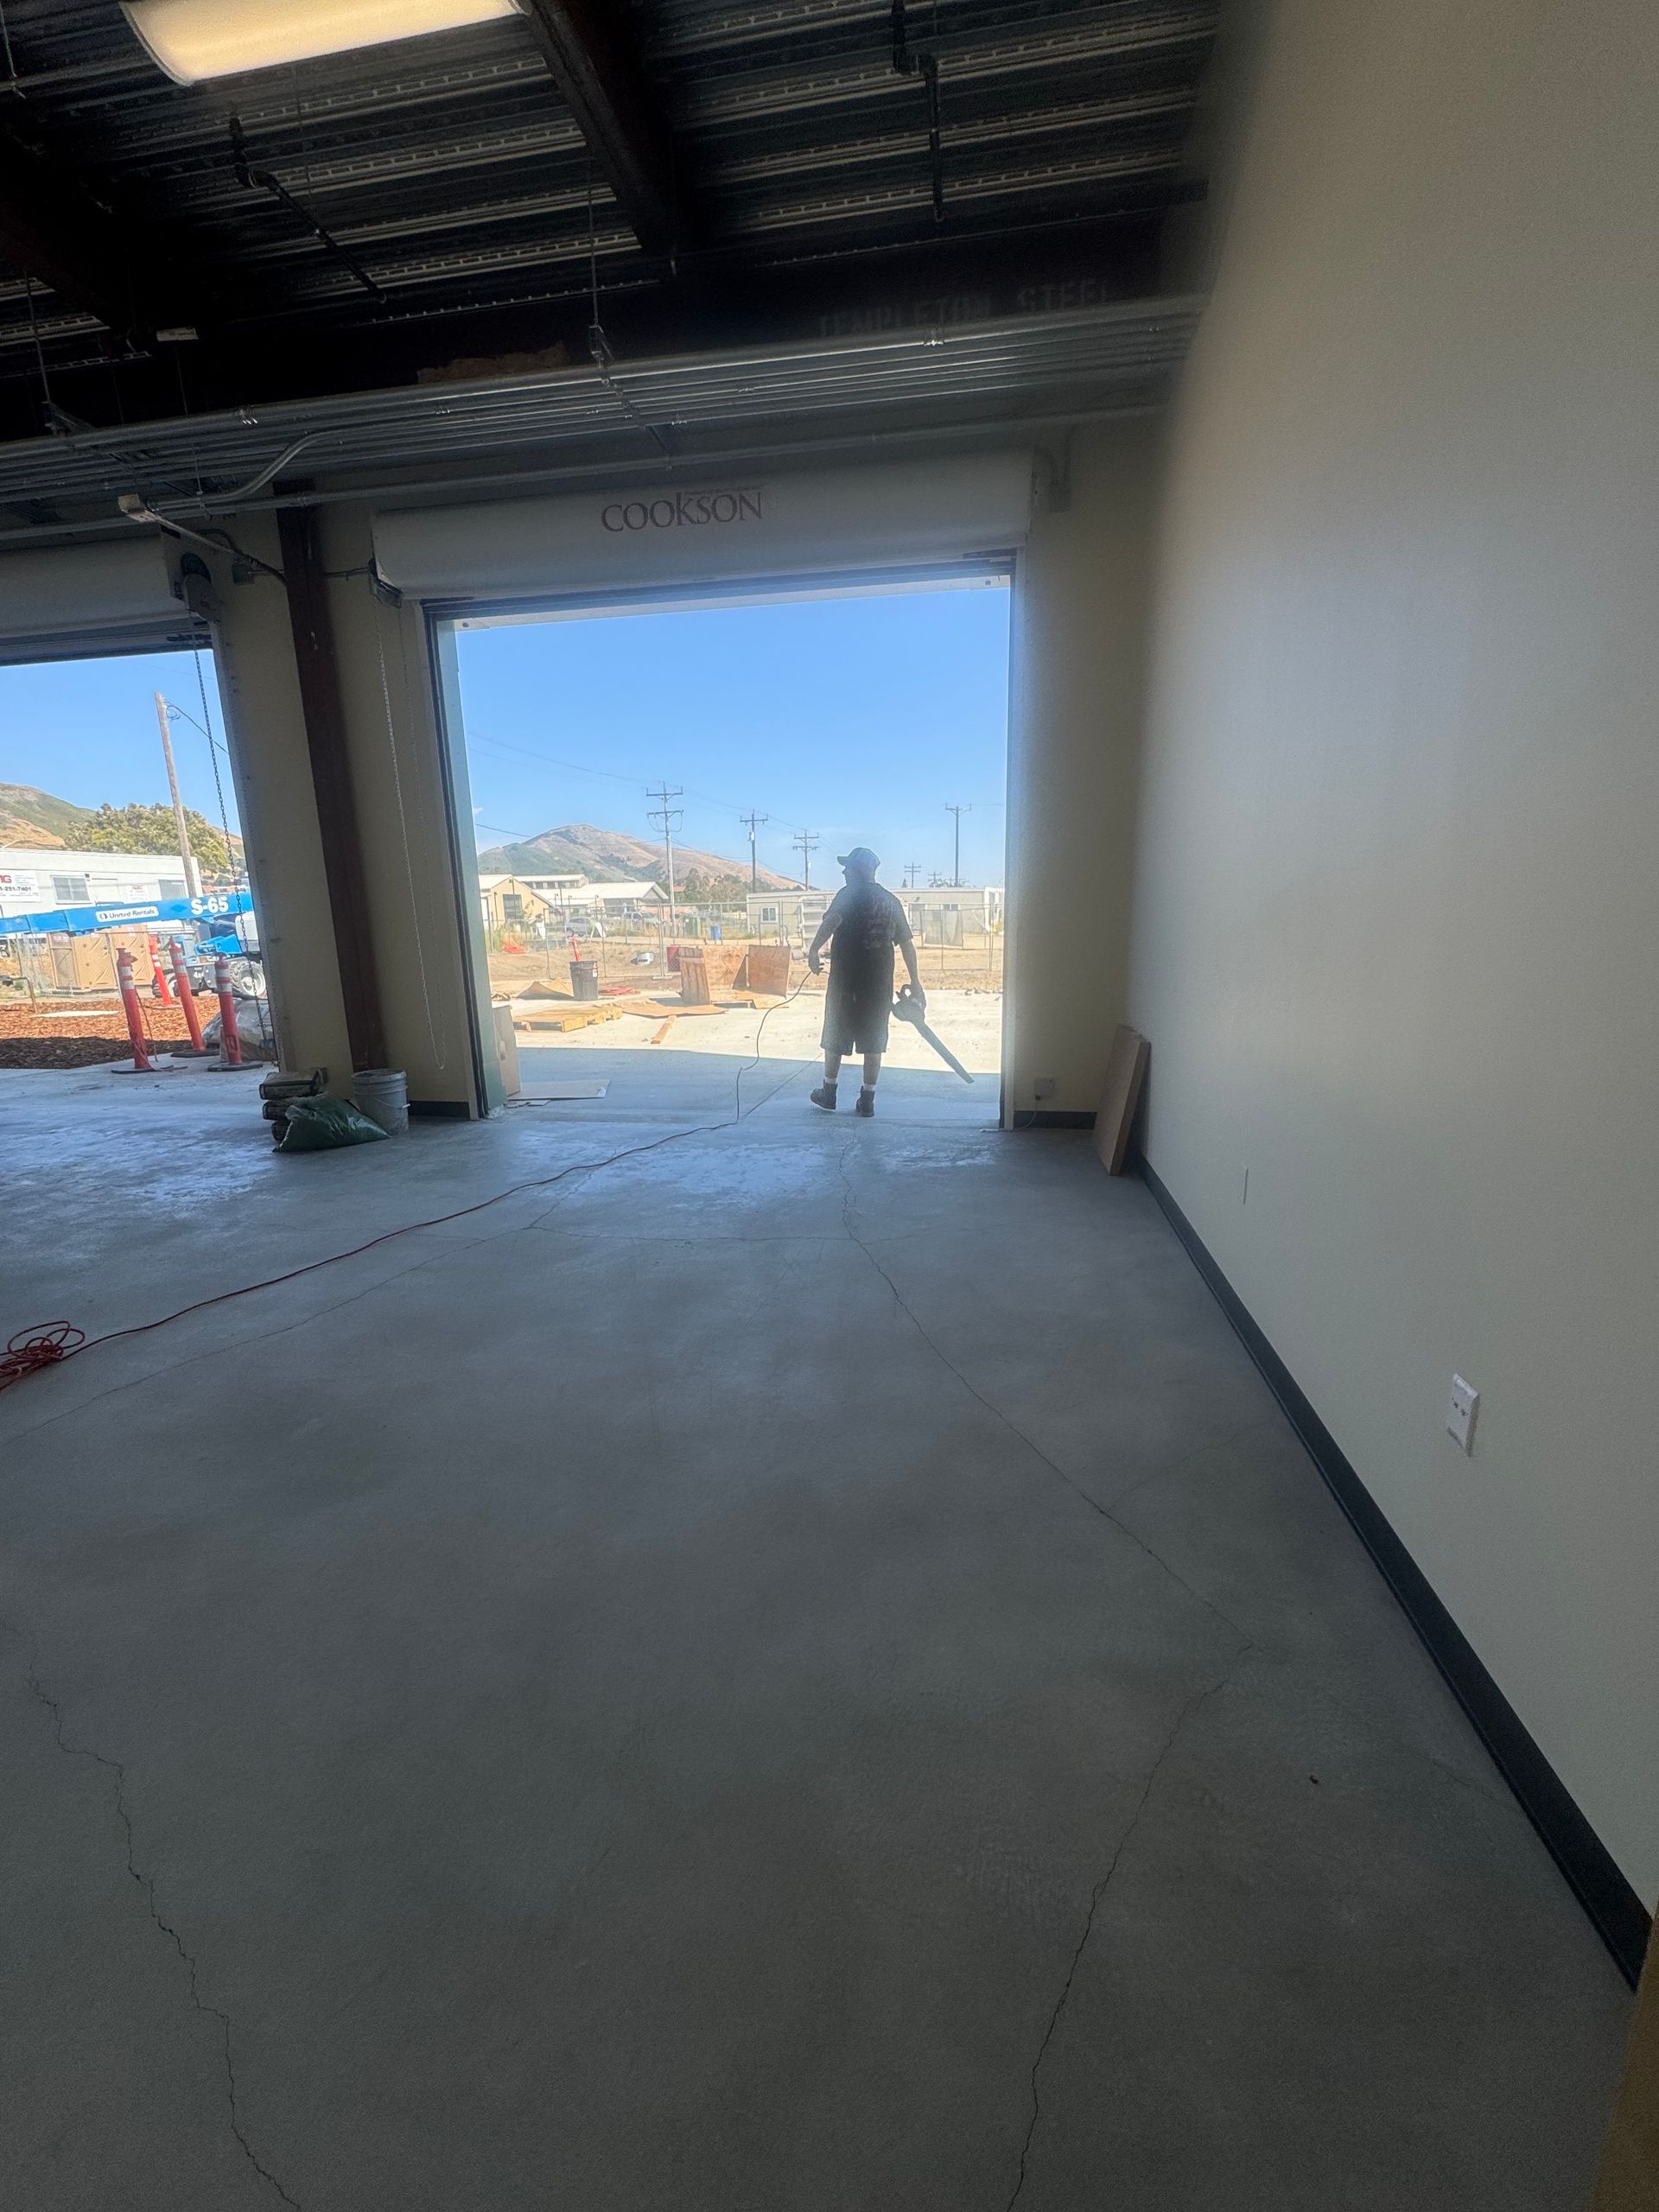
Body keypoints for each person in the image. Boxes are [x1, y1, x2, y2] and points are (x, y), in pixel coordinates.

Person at [805, 847, 923, 1116]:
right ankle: (868, 1100)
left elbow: (832, 921)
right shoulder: (891, 901)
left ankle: (829, 1092)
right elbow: (906, 945)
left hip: (845, 982)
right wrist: (916, 982)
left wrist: (814, 950)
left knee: (835, 1033)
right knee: (874, 1039)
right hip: (878, 983)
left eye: (848, 867)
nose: (844, 872)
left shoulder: (848, 895)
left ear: (861, 870)